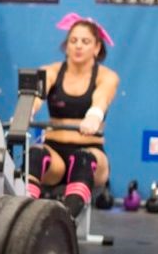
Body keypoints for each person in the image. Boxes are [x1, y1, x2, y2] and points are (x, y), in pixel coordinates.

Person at [26, 12, 119, 218]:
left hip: (91, 152)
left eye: (85, 41)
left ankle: (66, 222)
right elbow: (34, 98)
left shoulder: (107, 76)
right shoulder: (49, 71)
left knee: (82, 158)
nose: (78, 46)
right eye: (73, 40)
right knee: (35, 154)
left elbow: (101, 100)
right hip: (55, 155)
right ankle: (23, 219)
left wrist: (94, 117)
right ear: (66, 45)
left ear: (96, 48)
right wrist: (26, 112)